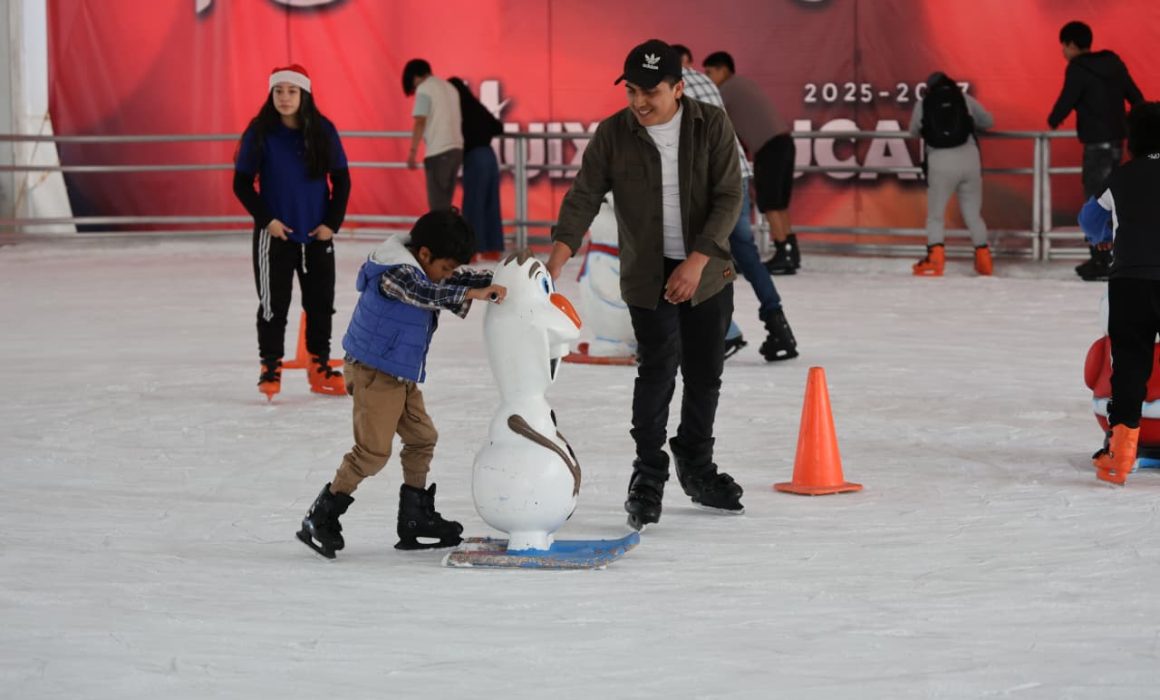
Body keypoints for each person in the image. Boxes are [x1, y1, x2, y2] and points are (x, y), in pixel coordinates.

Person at [545, 39, 745, 531]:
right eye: (632, 90)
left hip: (707, 273)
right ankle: (648, 472)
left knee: (704, 374)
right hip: (648, 276)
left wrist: (696, 260)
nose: (639, 102)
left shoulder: (711, 124)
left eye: (650, 92)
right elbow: (583, 196)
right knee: (656, 371)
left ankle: (696, 464)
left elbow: (729, 195)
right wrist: (553, 265)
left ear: (678, 88)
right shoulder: (615, 134)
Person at [297, 208, 508, 558]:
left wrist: (503, 277)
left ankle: (413, 518)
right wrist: (475, 294)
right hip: (373, 374)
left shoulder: (424, 268)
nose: (447, 274)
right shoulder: (394, 273)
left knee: (422, 438)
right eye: (444, 267)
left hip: (397, 373)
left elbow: (444, 282)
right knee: (373, 453)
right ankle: (321, 516)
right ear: (424, 254)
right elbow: (425, 293)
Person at [673, 43, 798, 361]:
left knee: (696, 256)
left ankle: (727, 332)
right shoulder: (705, 81)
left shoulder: (670, 90)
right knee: (747, 256)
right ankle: (778, 325)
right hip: (737, 174)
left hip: (711, 183)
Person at [234, 64, 350, 400]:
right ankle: (270, 366)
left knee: (321, 304)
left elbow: (341, 179)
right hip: (275, 237)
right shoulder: (260, 133)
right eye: (279, 91)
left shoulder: (323, 131)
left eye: (292, 91)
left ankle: (320, 365)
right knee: (273, 305)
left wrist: (332, 224)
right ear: (271, 95)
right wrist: (267, 220)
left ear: (305, 95)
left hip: (317, 236)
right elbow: (241, 183)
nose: (285, 97)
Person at [1079, 102, 1160, 485]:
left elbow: (1090, 220)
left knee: (1129, 367)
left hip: (1131, 283)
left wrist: (1104, 238)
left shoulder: (1121, 178)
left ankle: (1119, 455)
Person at [1048, 20, 1145, 282]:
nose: (1063, 52)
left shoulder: (1077, 68)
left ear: (1070, 45)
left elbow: (1067, 100)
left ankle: (1101, 259)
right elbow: (1136, 97)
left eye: (1063, 47)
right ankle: (1112, 256)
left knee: (1097, 201)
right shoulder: (1113, 63)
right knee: (1117, 200)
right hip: (1118, 144)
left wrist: (1053, 120)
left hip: (1096, 147)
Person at [702, 51, 800, 276]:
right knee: (779, 203)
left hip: (769, 148)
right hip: (783, 143)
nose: (707, 78)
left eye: (710, 72)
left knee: (771, 203)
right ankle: (789, 251)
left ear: (723, 70)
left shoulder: (726, 90)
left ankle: (784, 253)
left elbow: (713, 120)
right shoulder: (743, 84)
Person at [907, 72, 996, 277]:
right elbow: (989, 121)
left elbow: (913, 131)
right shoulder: (964, 99)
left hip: (940, 162)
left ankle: (935, 260)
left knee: (936, 215)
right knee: (973, 215)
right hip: (969, 159)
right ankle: (984, 261)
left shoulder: (924, 103)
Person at [449, 76, 505, 261]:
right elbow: (498, 127)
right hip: (489, 156)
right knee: (491, 202)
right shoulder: (475, 105)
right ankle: (492, 249)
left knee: (473, 204)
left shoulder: (457, 110)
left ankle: (471, 251)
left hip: (474, 157)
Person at [402, 59, 464, 211]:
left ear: (415, 77)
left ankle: (441, 235)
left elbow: (420, 121)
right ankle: (449, 233)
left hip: (439, 151)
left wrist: (412, 152)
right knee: (445, 204)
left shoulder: (424, 89)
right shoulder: (450, 88)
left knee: (437, 207)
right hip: (456, 150)